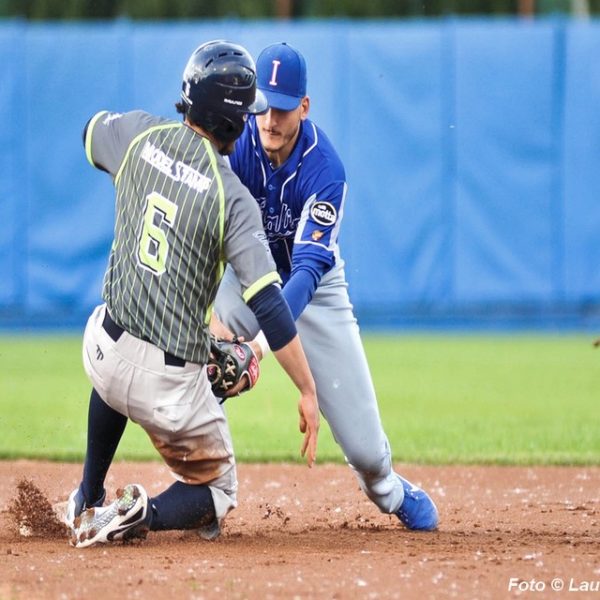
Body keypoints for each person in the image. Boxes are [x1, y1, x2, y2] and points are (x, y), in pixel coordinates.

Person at [63, 39, 319, 549]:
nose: (253, 121)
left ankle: (86, 496)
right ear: (231, 120)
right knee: (220, 490)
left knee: (114, 365)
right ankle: (141, 512)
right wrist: (308, 390)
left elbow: (91, 133)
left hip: (103, 351)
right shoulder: (234, 199)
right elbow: (269, 303)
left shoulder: (138, 134)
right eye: (247, 112)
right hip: (168, 383)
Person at [212, 42, 438, 531]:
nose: (270, 119)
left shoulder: (324, 169)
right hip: (246, 278)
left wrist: (260, 346)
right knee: (198, 372)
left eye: (283, 108)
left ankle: (392, 490)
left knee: (365, 452)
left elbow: (308, 273)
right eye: (263, 105)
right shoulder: (233, 145)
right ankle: (201, 490)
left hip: (312, 293)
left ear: (305, 107)